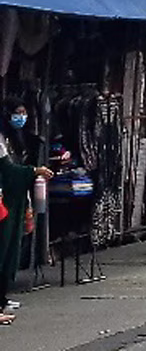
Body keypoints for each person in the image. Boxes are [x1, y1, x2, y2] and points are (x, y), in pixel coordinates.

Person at [0, 101, 50, 324]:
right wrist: (34, 171)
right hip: (5, 200)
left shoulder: (12, 138)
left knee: (8, 250)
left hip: (11, 202)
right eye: (17, 113)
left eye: (24, 112)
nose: (21, 117)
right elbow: (8, 171)